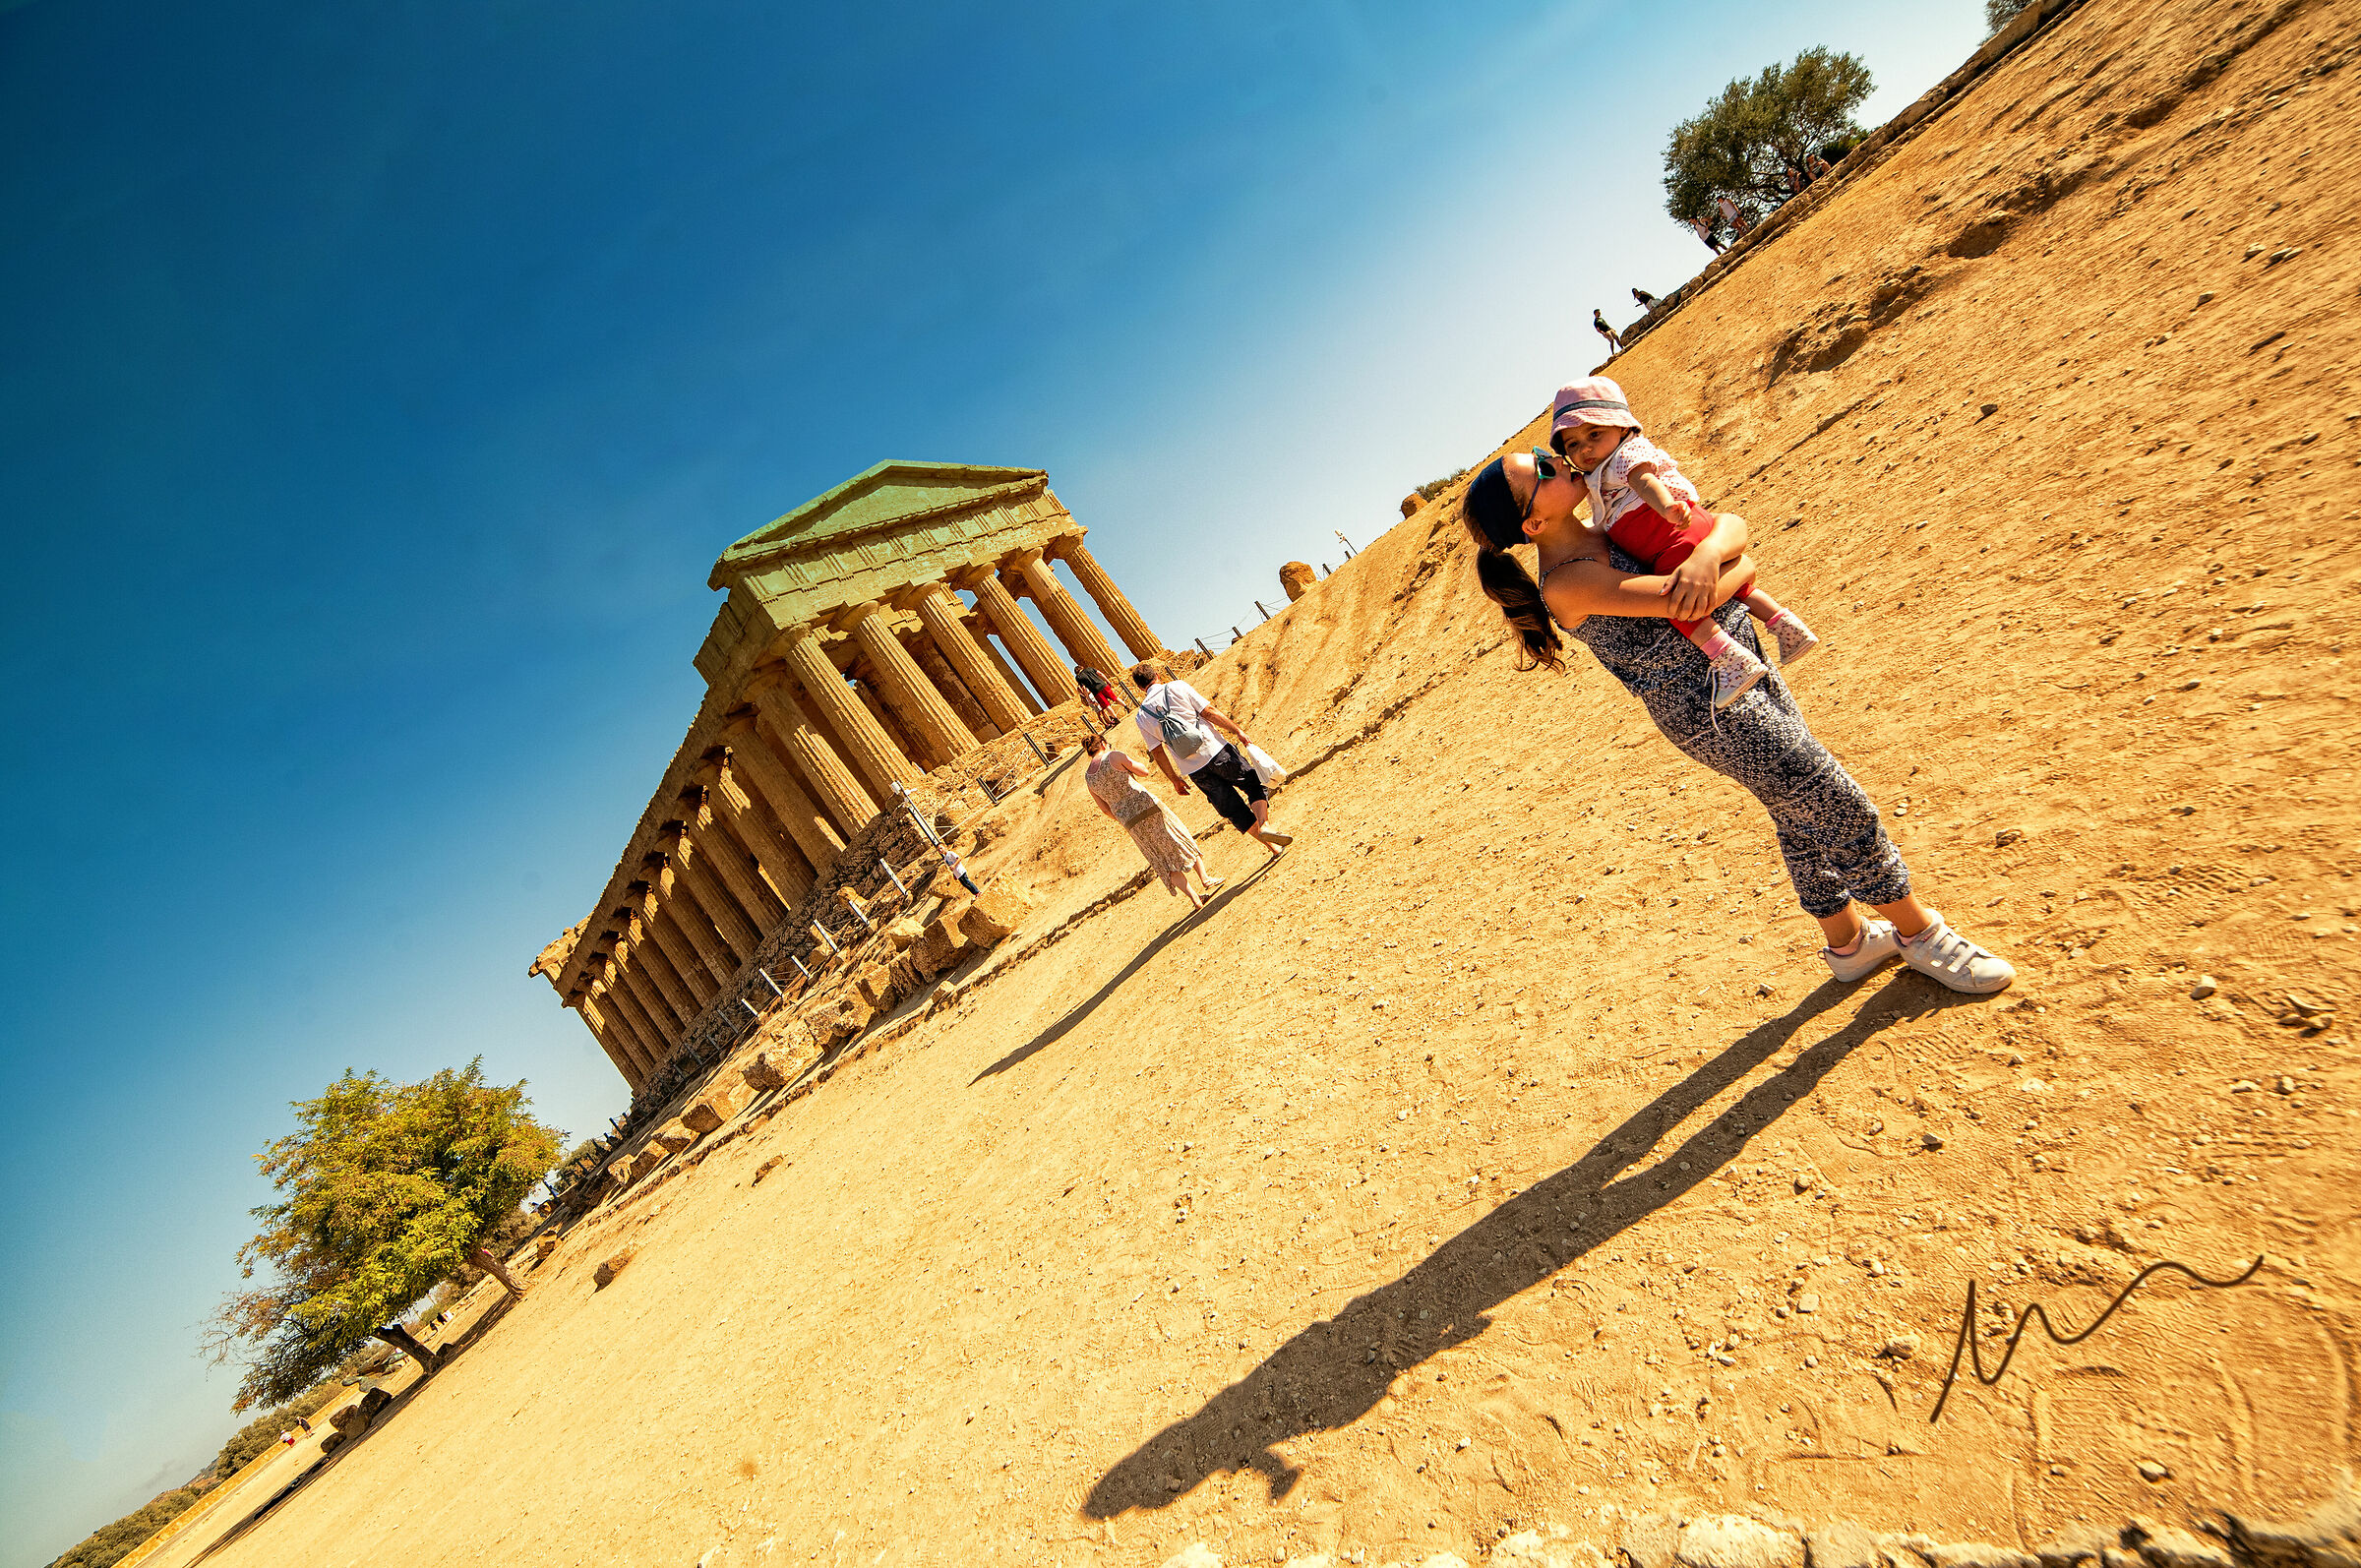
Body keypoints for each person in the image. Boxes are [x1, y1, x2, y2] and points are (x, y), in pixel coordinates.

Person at [1457, 449, 2013, 994]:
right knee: (1830, 797)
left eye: (1544, 453)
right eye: (1544, 471)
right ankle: (1921, 935)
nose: (1559, 460)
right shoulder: (1565, 581)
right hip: (1711, 711)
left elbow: (1723, 524)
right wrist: (1737, 564)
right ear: (1533, 522)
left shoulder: (1614, 521)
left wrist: (1716, 551)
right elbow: (1686, 602)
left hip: (1745, 668)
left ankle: (1849, 945)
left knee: (1797, 807)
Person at [1545, 376, 1818, 708]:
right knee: (1738, 587)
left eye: (1594, 433)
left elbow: (1644, 480)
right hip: (1676, 529)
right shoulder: (1602, 469)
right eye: (1572, 444)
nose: (1584, 448)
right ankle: (1783, 622)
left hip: (1666, 531)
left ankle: (1729, 658)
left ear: (1621, 427)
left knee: (1678, 602)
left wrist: (1666, 507)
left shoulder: (1622, 457)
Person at [1130, 664, 1294, 857]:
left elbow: (1158, 752)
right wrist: (1237, 730)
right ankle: (1264, 823)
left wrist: (1175, 779)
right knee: (1252, 782)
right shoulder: (1177, 687)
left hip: (1194, 770)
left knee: (1231, 808)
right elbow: (1209, 712)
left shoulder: (1141, 717)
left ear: (1140, 688)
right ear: (1158, 675)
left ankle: (1272, 848)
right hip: (1215, 749)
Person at [1081, 733, 1224, 909]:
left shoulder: (1089, 777)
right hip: (1146, 804)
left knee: (1160, 856)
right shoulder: (1113, 756)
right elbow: (1144, 771)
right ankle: (1205, 879)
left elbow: (1104, 809)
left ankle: (1195, 898)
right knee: (1178, 835)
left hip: (1128, 820)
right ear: (1103, 744)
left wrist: (1122, 817)